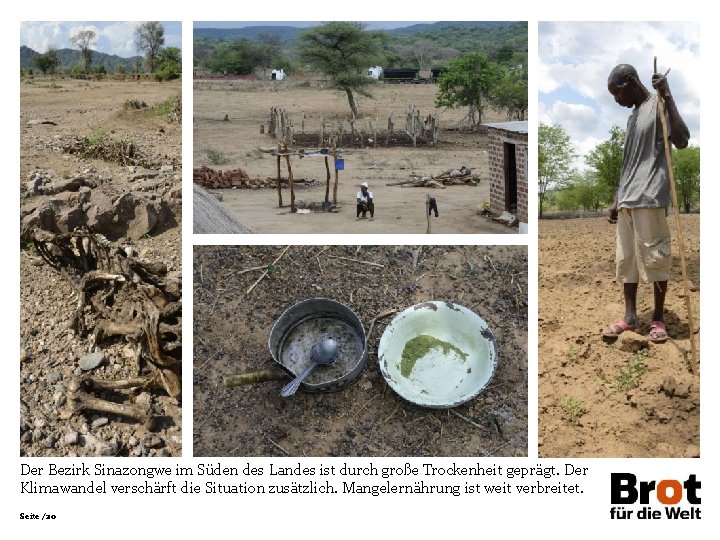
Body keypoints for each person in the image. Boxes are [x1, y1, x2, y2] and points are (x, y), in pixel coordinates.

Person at [603, 63, 689, 343]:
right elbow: (628, 162)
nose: (617, 101)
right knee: (626, 261)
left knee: (655, 258)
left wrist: (668, 95)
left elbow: (682, 140)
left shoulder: (658, 104)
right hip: (628, 198)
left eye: (617, 93)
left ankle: (658, 318)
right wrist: (617, 198)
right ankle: (630, 318)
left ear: (630, 82)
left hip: (650, 196)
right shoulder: (633, 117)